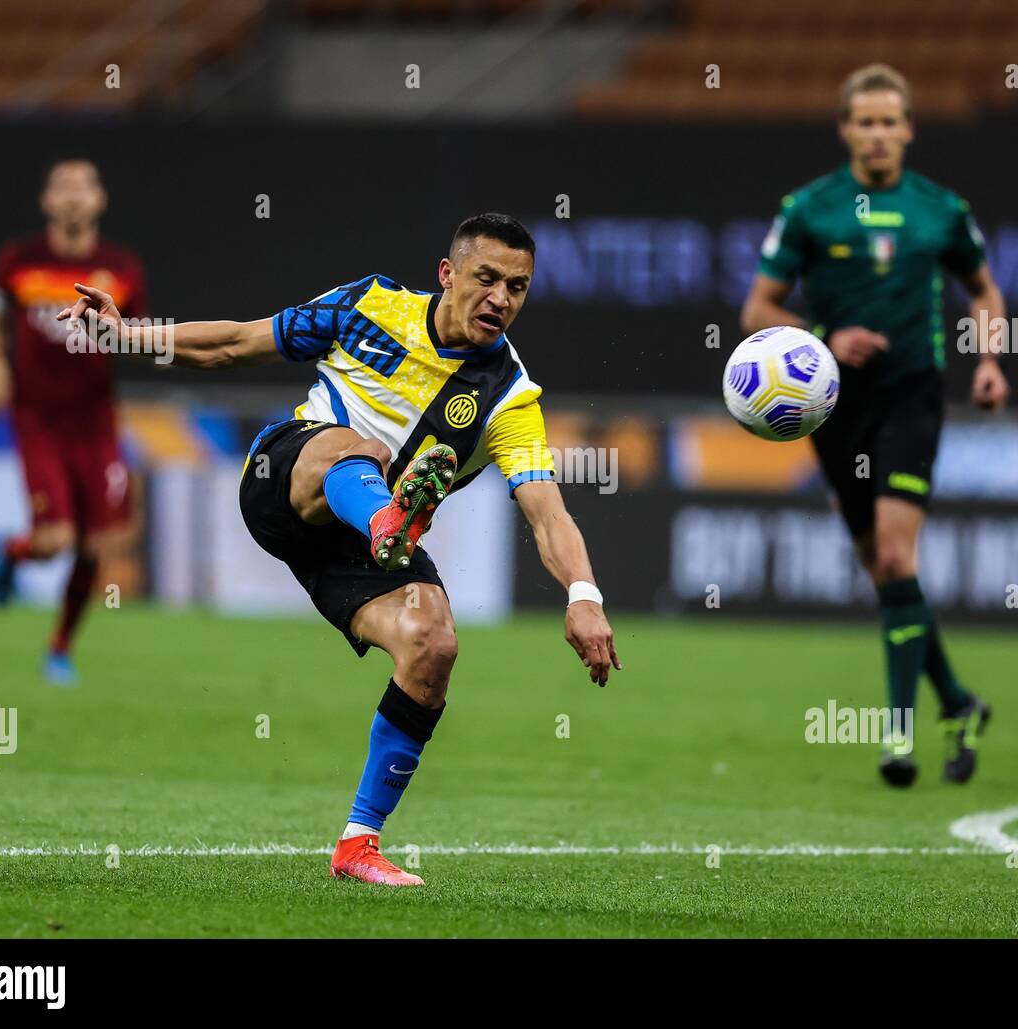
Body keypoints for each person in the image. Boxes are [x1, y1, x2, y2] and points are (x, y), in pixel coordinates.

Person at [57, 212, 621, 884]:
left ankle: (358, 843)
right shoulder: (368, 305)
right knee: (365, 450)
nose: (501, 298)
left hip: (354, 548)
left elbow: (547, 509)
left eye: (519, 287)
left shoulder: (509, 399)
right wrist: (125, 334)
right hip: (288, 478)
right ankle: (390, 514)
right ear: (448, 274)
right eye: (487, 278)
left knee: (432, 643)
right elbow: (235, 343)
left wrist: (583, 595)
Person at [740, 65, 1010, 787]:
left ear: (909, 129)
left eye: (892, 121)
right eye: (866, 122)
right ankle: (959, 701)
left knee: (894, 558)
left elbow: (984, 289)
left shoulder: (941, 210)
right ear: (846, 130)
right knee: (888, 573)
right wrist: (825, 332)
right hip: (833, 407)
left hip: (911, 393)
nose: (880, 134)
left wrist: (989, 361)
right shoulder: (810, 209)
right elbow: (758, 310)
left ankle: (897, 736)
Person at [0, 158, 146, 686]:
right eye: (62, 187)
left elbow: (134, 337)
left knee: (98, 548)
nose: (73, 196)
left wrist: (121, 333)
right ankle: (13, 552)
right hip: (38, 419)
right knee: (54, 541)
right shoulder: (18, 261)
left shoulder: (122, 269)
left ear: (99, 200)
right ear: (47, 200)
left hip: (96, 423)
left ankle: (59, 648)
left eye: (83, 186)